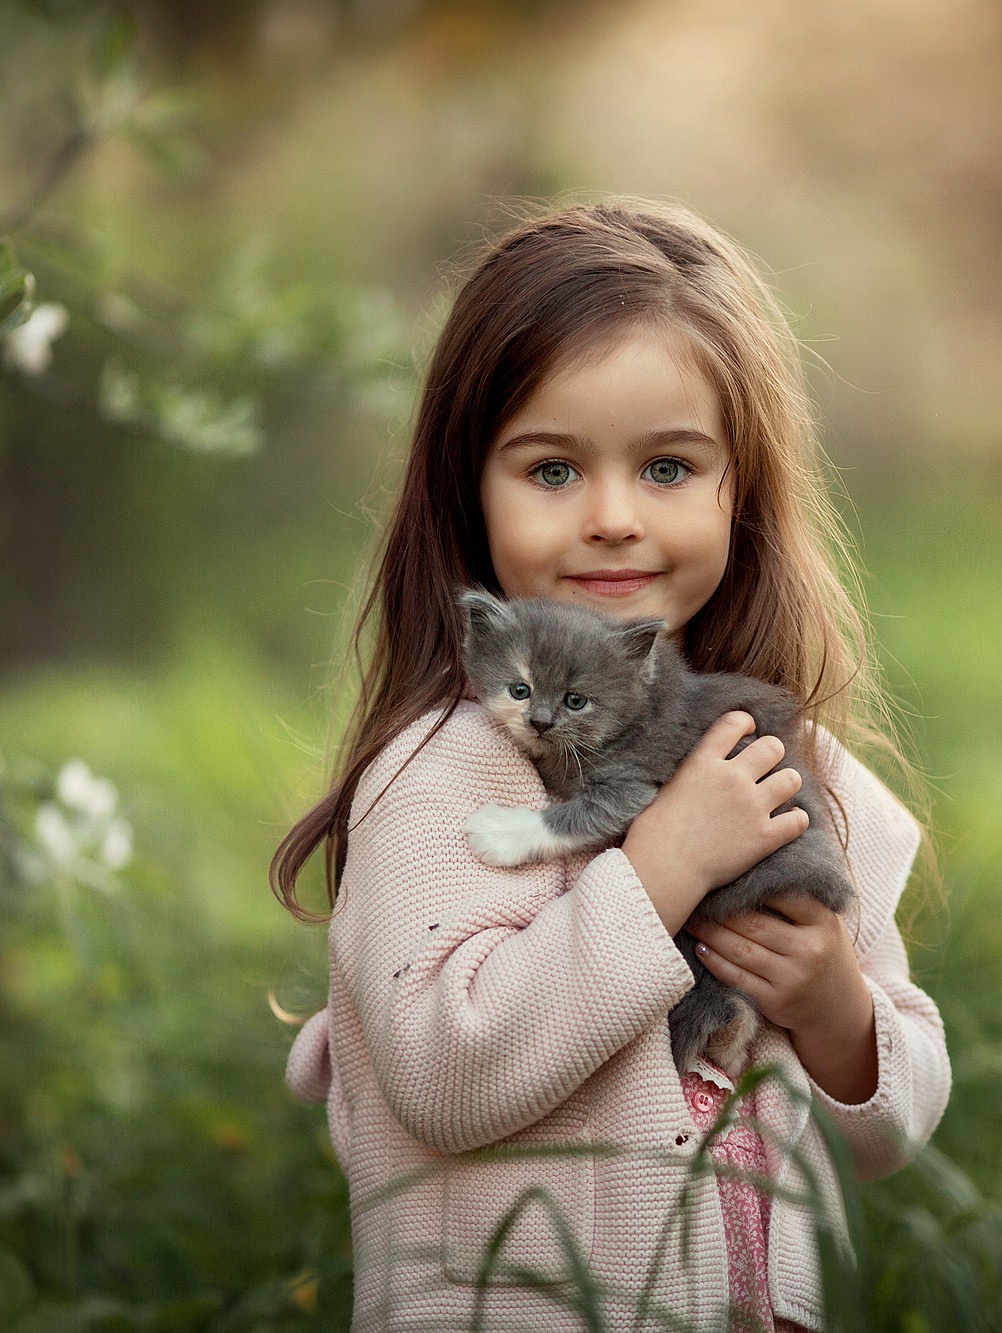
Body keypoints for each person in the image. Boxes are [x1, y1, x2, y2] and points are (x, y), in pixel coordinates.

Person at [273, 197, 950, 1331]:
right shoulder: (443, 776)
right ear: (465, 489)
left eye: (669, 468)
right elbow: (446, 1076)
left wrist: (836, 1006)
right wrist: (657, 872)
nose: (612, 518)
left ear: (744, 493)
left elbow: (894, 1121)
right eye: (549, 471)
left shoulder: (766, 756)